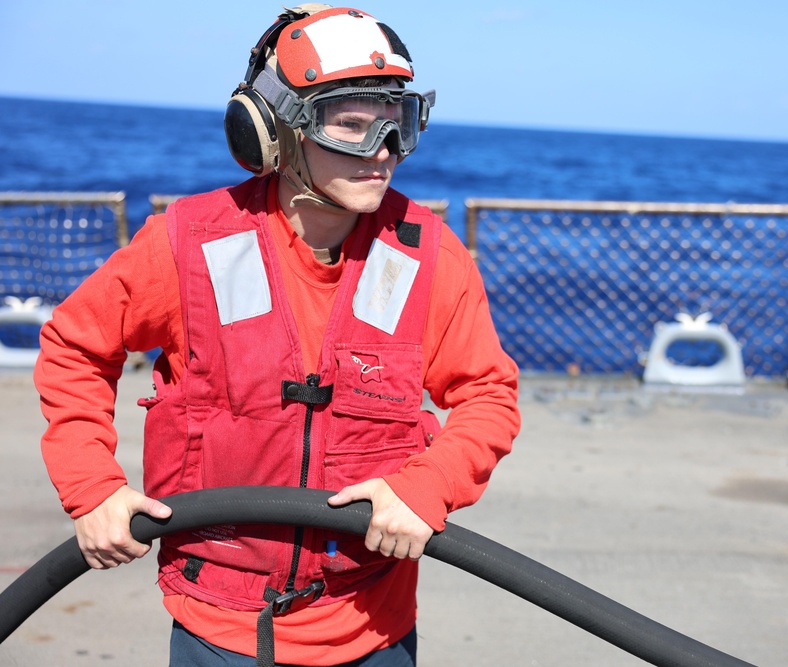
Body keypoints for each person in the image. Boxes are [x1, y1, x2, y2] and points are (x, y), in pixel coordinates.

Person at [33, 5, 520, 666]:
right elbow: (76, 346)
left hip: (372, 626)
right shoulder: (189, 244)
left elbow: (489, 396)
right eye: (350, 124)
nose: (381, 150)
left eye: (397, 123)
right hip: (218, 631)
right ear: (276, 131)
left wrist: (426, 486)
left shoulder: (429, 257)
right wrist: (92, 488)